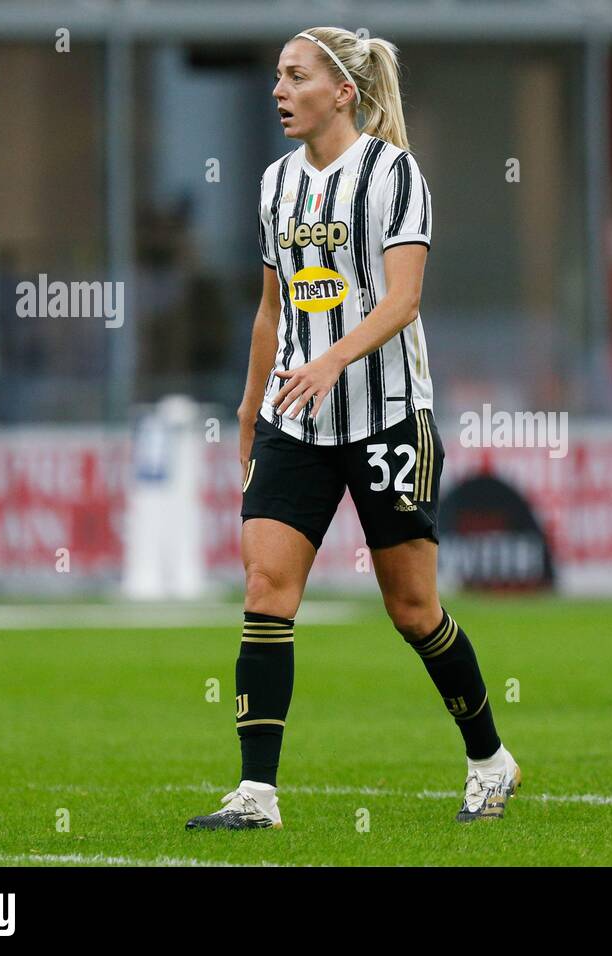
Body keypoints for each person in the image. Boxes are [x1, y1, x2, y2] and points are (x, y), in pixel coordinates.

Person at [186, 27, 520, 830]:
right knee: (265, 591)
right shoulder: (275, 183)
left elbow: (403, 300)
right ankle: (256, 794)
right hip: (294, 419)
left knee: (413, 609)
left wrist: (332, 360)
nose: (278, 90)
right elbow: (271, 311)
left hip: (387, 416)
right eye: (277, 76)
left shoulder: (393, 173)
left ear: (342, 92)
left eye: (295, 76)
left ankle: (490, 760)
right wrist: (248, 410)